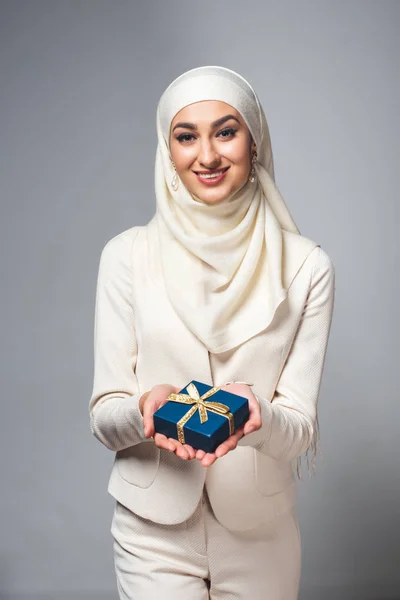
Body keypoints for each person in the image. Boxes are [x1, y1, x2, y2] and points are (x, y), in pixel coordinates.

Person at [89, 65, 335, 600]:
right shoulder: (126, 257)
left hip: (260, 533)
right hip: (151, 529)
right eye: (186, 136)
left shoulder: (306, 266)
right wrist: (144, 410)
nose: (206, 156)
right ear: (167, 149)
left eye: (226, 131)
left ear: (255, 139)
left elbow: (300, 427)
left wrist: (257, 416)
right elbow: (104, 416)